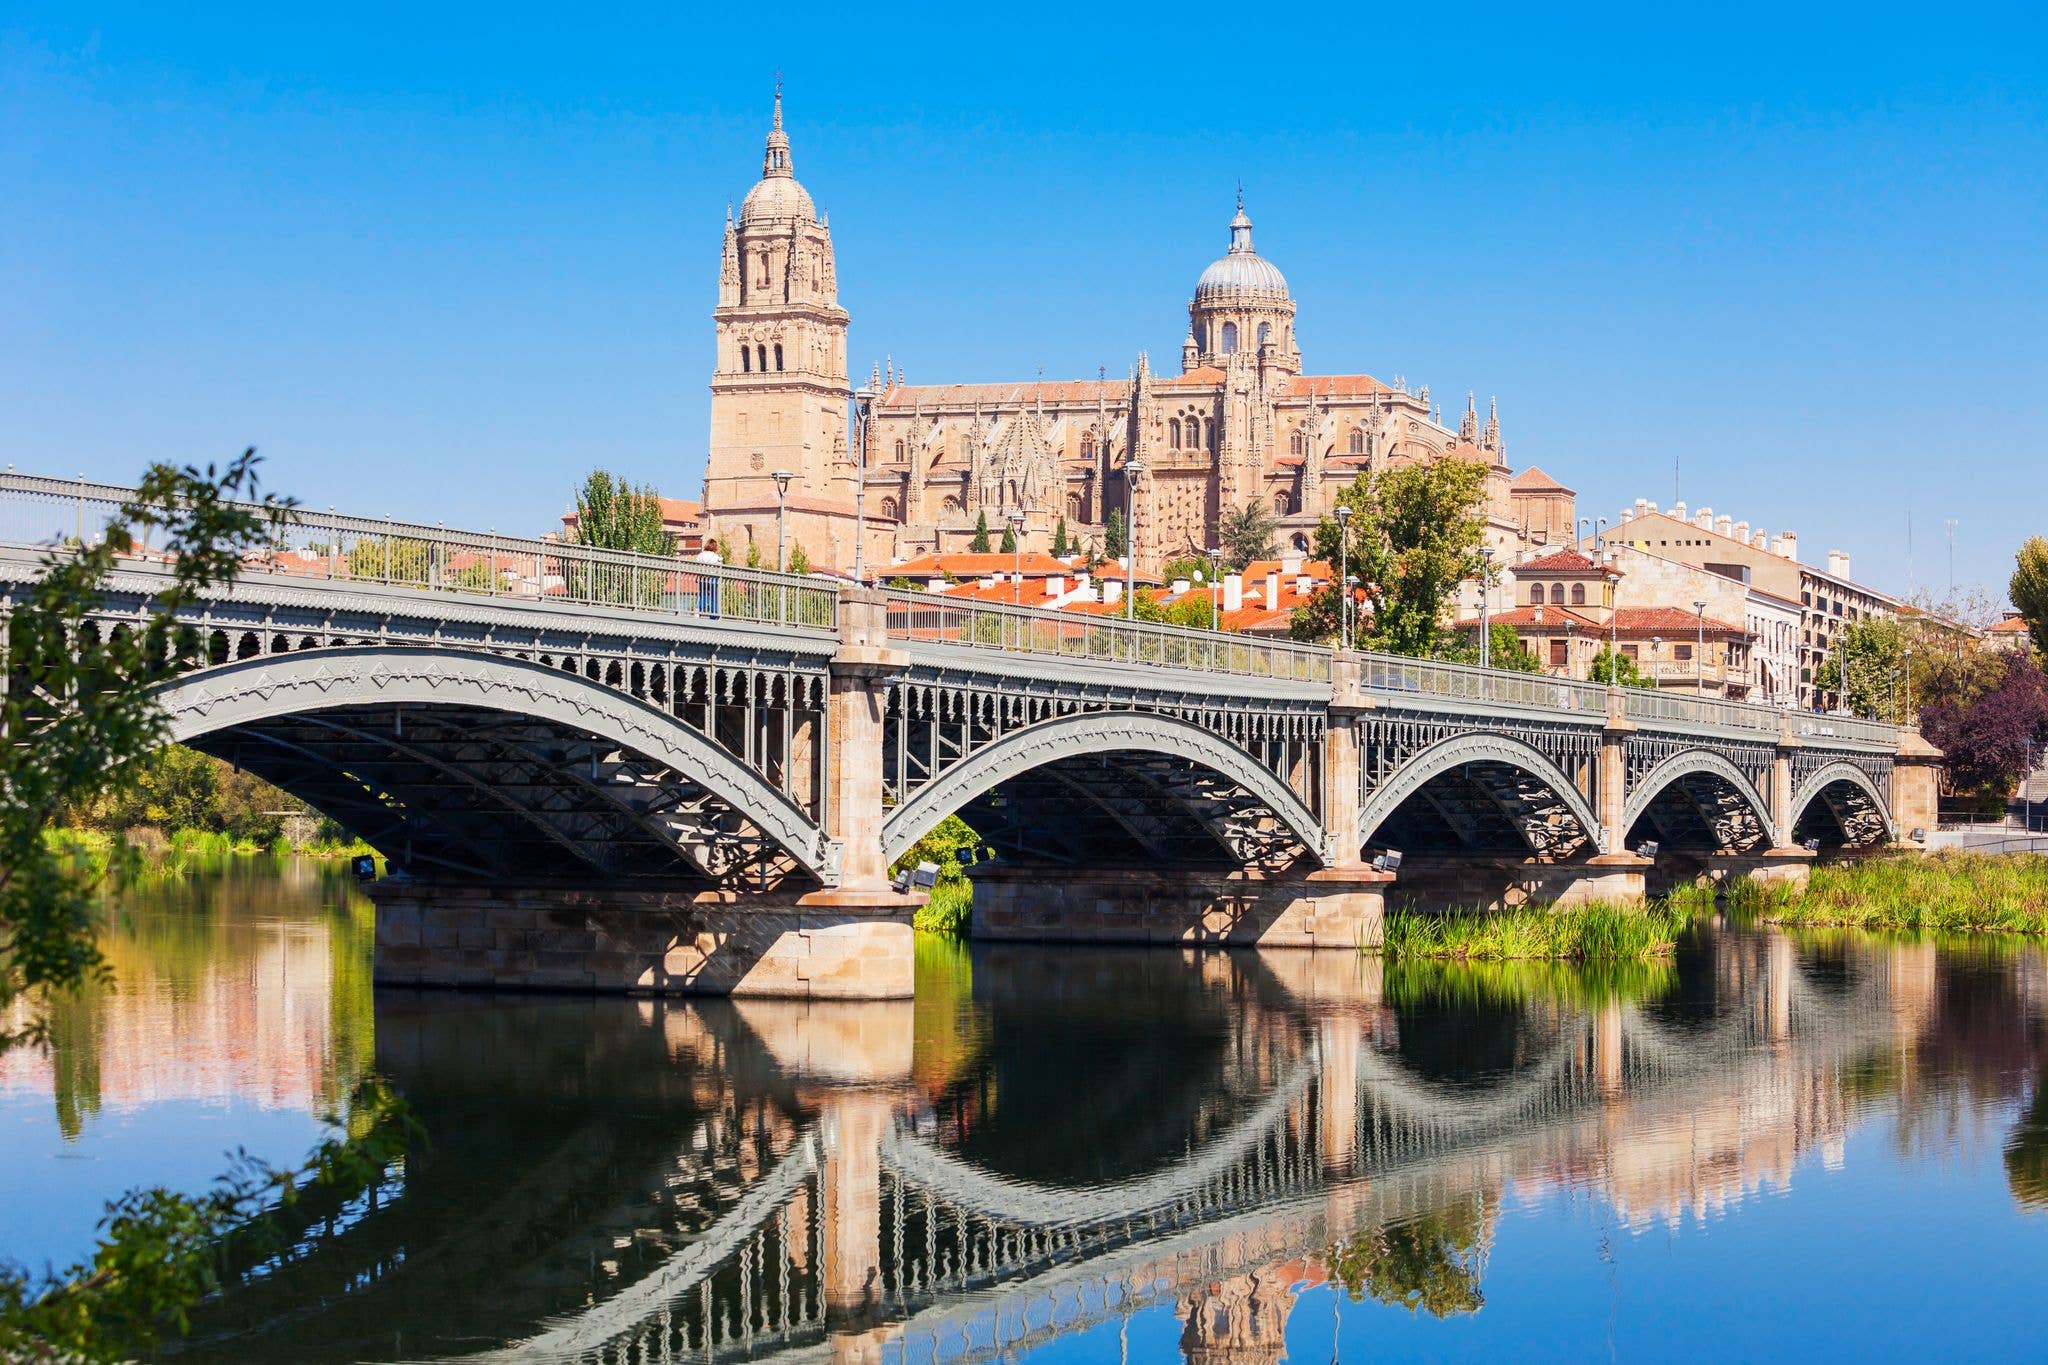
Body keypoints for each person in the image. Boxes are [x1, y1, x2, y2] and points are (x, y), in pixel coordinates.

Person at [695, 539, 722, 619]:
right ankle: (713, 616)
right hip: (712, 578)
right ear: (715, 547)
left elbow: (697, 565)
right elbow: (719, 567)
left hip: (702, 578)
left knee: (703, 595)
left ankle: (698, 610)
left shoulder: (701, 555)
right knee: (713, 597)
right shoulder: (716, 556)